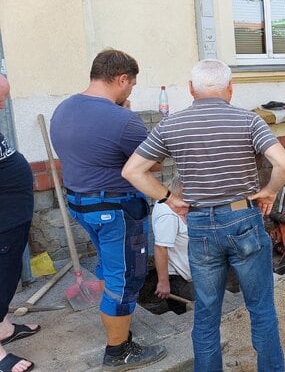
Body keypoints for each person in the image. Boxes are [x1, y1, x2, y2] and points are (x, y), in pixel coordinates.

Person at [122, 59, 285, 372]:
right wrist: (269, 191)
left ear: (191, 89)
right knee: (260, 309)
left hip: (199, 225)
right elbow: (283, 164)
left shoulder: (171, 125)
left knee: (205, 314)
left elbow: (132, 170)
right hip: (243, 221)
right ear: (230, 88)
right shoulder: (250, 121)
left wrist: (169, 199)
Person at [49, 50, 166, 371]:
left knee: (109, 266)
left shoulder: (64, 108)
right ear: (121, 78)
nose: (131, 91)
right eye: (132, 84)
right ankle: (118, 351)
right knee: (126, 277)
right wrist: (130, 121)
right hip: (117, 211)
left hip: (81, 205)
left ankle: (118, 322)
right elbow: (152, 163)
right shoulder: (123, 120)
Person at [0, 74, 37, 372]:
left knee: (8, 276)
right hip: (3, 222)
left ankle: (3, 328)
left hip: (12, 220)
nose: (2, 107)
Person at [150, 175, 193, 313]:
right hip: (179, 280)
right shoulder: (168, 215)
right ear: (183, 191)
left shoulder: (173, 202)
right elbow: (161, 248)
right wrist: (163, 282)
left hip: (190, 273)